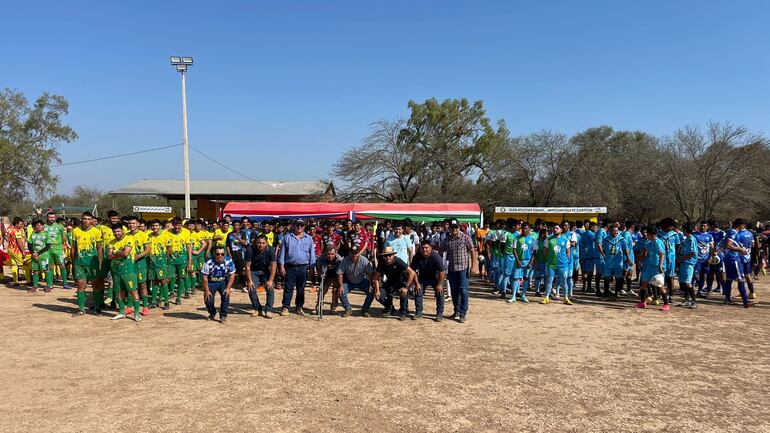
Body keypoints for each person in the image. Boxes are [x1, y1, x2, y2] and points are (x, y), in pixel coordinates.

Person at [278, 219, 316, 316]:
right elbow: (282, 253)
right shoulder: (287, 238)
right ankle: (286, 307)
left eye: (302, 225)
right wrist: (281, 266)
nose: (299, 227)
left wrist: (312, 267)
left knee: (301, 289)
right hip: (290, 267)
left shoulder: (309, 238)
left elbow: (312, 254)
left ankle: (299, 307)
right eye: (297, 225)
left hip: (303, 267)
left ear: (304, 226)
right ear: (294, 225)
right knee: (288, 288)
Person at [107, 224, 142, 322]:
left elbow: (126, 253)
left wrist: (114, 252)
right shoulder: (111, 242)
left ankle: (136, 314)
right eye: (114, 232)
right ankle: (122, 312)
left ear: (122, 231)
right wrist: (118, 252)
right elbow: (109, 256)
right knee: (119, 291)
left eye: (118, 231)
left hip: (129, 270)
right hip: (116, 270)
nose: (116, 233)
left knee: (133, 291)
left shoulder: (129, 238)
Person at [441, 219, 474, 322]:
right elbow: (441, 251)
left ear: (459, 228)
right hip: (451, 269)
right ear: (449, 228)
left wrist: (473, 266)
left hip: (463, 269)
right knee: (454, 291)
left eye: (456, 227)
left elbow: (472, 251)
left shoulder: (465, 238)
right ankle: (457, 310)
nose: (455, 229)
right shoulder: (446, 240)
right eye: (453, 227)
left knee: (463, 290)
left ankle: (463, 313)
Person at [373, 246, 417, 321]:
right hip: (390, 282)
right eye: (385, 255)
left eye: (389, 255)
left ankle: (403, 312)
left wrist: (406, 287)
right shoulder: (382, 262)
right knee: (379, 296)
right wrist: (377, 290)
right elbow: (376, 276)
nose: (388, 257)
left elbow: (412, 273)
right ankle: (390, 308)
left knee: (403, 292)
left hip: (401, 282)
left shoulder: (398, 261)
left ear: (393, 255)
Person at [71, 212, 103, 314]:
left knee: (95, 285)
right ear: (81, 219)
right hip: (79, 263)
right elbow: (73, 248)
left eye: (88, 219)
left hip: (92, 263)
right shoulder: (75, 231)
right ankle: (81, 309)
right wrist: (73, 262)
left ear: (91, 220)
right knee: (81, 285)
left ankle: (97, 307)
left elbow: (99, 248)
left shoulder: (96, 232)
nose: (86, 221)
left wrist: (100, 262)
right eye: (84, 218)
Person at [410, 240, 447, 320]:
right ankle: (419, 312)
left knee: (440, 293)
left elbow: (442, 271)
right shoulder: (417, 256)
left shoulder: (435, 256)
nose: (424, 250)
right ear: (420, 249)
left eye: (426, 248)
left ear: (431, 248)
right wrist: (416, 283)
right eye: (422, 248)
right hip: (422, 277)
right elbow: (413, 271)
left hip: (435, 277)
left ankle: (439, 314)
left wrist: (440, 284)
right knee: (418, 291)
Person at [336, 244, 377, 317]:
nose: (354, 255)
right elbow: (340, 273)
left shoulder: (364, 260)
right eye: (352, 253)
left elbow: (370, 273)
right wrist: (341, 286)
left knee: (372, 291)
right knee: (340, 291)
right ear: (349, 253)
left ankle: (365, 310)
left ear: (359, 253)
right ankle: (348, 309)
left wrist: (370, 285)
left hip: (361, 280)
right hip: (349, 282)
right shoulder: (345, 260)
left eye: (356, 253)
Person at [721, 219, 753, 308]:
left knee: (729, 279)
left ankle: (727, 299)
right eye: (744, 226)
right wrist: (740, 249)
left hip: (728, 258)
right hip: (734, 258)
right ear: (741, 225)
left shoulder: (729, 231)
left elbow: (722, 243)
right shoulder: (734, 232)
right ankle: (745, 301)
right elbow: (728, 245)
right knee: (741, 279)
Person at [201, 246, 236, 324]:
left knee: (226, 296)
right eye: (218, 254)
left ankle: (223, 315)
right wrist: (206, 291)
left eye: (222, 254)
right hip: (211, 282)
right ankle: (212, 312)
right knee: (208, 300)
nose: (220, 256)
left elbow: (232, 275)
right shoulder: (208, 262)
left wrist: (228, 288)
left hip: (223, 281)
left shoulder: (229, 261)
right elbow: (204, 277)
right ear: (214, 254)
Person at [636, 226, 668, 311]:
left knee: (660, 285)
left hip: (656, 267)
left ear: (651, 234)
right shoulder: (648, 242)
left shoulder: (658, 242)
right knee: (644, 284)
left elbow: (662, 254)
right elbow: (644, 251)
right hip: (649, 266)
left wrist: (660, 265)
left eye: (647, 233)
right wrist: (640, 259)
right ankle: (642, 302)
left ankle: (666, 304)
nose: (645, 234)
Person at [246, 234, 277, 318]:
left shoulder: (270, 250)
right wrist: (249, 281)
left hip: (265, 271)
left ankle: (268, 309)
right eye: (259, 242)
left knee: (270, 288)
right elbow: (247, 266)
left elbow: (274, 265)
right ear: (256, 242)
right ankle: (257, 308)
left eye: (263, 243)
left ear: (266, 243)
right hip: (253, 271)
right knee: (251, 288)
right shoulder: (250, 249)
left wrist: (270, 280)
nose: (261, 245)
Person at [541, 224, 572, 305]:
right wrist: (550, 258)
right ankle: (547, 297)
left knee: (564, 281)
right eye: (554, 228)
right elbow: (545, 251)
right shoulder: (548, 239)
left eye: (557, 228)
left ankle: (566, 298)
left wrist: (565, 261)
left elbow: (568, 252)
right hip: (551, 264)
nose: (555, 229)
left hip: (562, 265)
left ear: (561, 230)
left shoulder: (565, 240)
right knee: (549, 281)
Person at [127, 216, 151, 316]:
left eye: (133, 223)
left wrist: (138, 256)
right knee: (130, 285)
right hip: (129, 265)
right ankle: (129, 306)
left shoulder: (143, 235)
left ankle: (145, 307)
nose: (131, 225)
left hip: (140, 264)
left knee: (142, 285)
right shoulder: (126, 235)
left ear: (137, 224)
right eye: (129, 223)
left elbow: (148, 249)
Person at [167, 217, 193, 305]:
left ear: (181, 225)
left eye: (179, 225)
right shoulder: (167, 232)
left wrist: (189, 262)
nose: (177, 227)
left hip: (182, 260)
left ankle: (178, 298)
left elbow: (189, 248)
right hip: (170, 260)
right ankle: (167, 296)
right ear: (172, 225)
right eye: (175, 225)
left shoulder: (186, 232)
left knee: (181, 278)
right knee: (168, 278)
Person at [601, 224, 631, 298]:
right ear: (610, 231)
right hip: (608, 261)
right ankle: (606, 292)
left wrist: (628, 259)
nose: (615, 233)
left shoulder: (621, 239)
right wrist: (604, 256)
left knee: (618, 278)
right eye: (614, 231)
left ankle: (616, 293)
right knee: (607, 278)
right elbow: (603, 249)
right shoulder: (606, 239)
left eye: (617, 231)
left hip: (618, 262)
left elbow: (625, 249)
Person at [147, 220, 172, 310]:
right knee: (154, 282)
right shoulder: (149, 235)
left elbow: (169, 248)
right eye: (153, 226)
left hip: (161, 262)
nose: (155, 227)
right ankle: (153, 302)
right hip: (151, 262)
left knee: (163, 282)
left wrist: (165, 258)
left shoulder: (165, 235)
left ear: (160, 226)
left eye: (156, 225)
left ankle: (166, 302)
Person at [508, 223, 534, 303]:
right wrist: (518, 260)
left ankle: (523, 295)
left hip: (528, 261)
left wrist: (531, 262)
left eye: (526, 228)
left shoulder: (533, 239)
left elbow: (534, 252)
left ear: (529, 229)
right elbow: (514, 249)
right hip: (519, 261)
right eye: (523, 228)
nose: (525, 230)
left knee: (526, 278)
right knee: (516, 278)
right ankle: (513, 296)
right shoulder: (517, 238)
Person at [44, 211, 70, 289]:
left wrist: (62, 245)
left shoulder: (60, 226)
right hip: (48, 250)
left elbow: (64, 237)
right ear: (47, 218)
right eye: (50, 217)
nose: (51, 219)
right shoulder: (44, 226)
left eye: (53, 217)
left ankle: (65, 284)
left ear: (55, 218)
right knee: (49, 267)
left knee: (62, 265)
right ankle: (49, 284)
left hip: (58, 249)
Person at [315, 246, 344, 315]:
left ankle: (333, 307)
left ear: (335, 253)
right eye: (328, 254)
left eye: (332, 254)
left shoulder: (339, 259)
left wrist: (340, 284)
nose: (330, 256)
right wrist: (320, 273)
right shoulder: (321, 258)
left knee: (335, 291)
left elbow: (341, 272)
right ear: (325, 253)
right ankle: (318, 306)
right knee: (322, 291)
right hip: (326, 276)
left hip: (335, 276)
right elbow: (318, 267)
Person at [28, 220, 52, 293]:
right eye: (37, 225)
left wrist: (38, 253)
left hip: (44, 256)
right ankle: (35, 286)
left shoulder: (46, 234)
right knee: (35, 271)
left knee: (46, 270)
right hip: (34, 256)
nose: (39, 226)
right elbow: (29, 245)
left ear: (43, 226)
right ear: (35, 227)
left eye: (40, 225)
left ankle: (48, 286)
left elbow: (48, 246)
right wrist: (33, 253)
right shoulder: (33, 234)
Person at [678, 223, 698, 308]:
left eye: (683, 230)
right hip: (684, 263)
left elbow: (693, 253)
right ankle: (686, 300)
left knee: (687, 283)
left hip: (689, 263)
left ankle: (694, 301)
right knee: (683, 282)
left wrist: (683, 258)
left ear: (686, 230)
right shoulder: (686, 240)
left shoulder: (691, 240)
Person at [693, 222, 715, 297]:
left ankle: (699, 291)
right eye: (701, 226)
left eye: (704, 226)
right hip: (697, 259)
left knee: (703, 275)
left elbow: (712, 247)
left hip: (706, 259)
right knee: (695, 275)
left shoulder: (709, 236)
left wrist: (711, 258)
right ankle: (691, 290)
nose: (702, 227)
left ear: (707, 227)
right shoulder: (695, 234)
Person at [6, 217, 27, 286]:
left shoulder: (9, 229)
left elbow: (7, 238)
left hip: (10, 250)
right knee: (24, 264)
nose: (22, 225)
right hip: (17, 251)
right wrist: (23, 251)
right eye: (20, 224)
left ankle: (15, 281)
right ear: (16, 224)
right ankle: (29, 280)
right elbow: (19, 242)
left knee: (14, 265)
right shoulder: (17, 231)